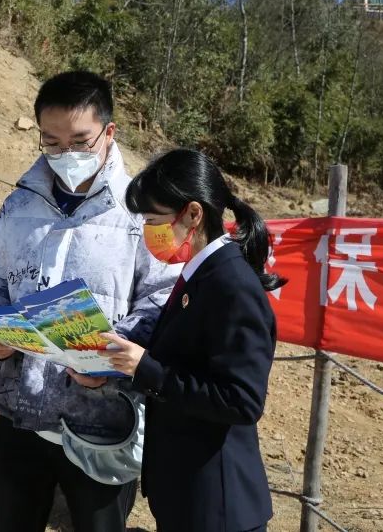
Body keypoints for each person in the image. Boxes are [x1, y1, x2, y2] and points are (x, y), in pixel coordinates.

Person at [0, 71, 177, 532]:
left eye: (81, 141)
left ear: (109, 132)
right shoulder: (20, 204)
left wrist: (111, 353)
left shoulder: (142, 210)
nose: (67, 155)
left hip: (103, 420)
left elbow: (163, 295)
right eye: (53, 142)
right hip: (21, 413)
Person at [101, 148, 285, 532]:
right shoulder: (199, 275)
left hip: (217, 507)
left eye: (154, 220)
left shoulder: (232, 286)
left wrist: (147, 369)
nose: (149, 232)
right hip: (188, 497)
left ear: (193, 214)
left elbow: (242, 400)